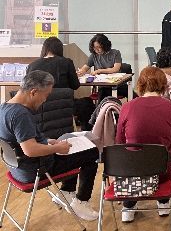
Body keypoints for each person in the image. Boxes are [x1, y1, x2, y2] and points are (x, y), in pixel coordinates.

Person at [0, 71, 100, 221]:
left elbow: (20, 141)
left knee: (69, 145)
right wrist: (57, 148)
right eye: (45, 95)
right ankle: (81, 202)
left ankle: (66, 192)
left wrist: (47, 141)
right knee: (91, 152)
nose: (45, 100)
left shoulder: (4, 108)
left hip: (17, 170)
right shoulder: (21, 115)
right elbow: (30, 150)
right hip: (36, 170)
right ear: (33, 92)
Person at [115, 67, 171, 223]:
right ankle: (163, 203)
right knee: (166, 159)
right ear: (164, 85)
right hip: (162, 170)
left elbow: (119, 143)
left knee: (132, 162)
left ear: (140, 84)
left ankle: (128, 206)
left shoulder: (127, 107)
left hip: (131, 173)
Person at [76, 33, 123, 101]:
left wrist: (99, 71)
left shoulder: (115, 53)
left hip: (117, 84)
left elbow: (115, 69)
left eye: (99, 47)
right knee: (102, 92)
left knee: (133, 95)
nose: (97, 50)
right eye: (94, 48)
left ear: (105, 45)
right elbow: (85, 67)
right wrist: (81, 71)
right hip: (103, 85)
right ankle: (100, 108)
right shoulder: (93, 55)